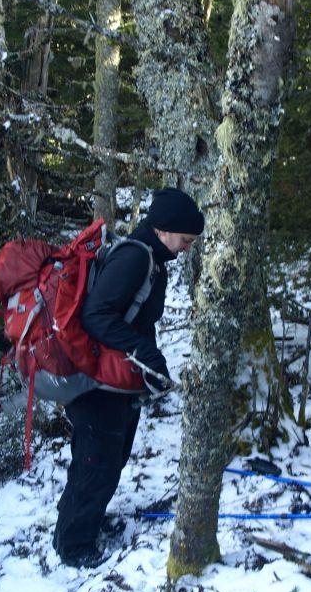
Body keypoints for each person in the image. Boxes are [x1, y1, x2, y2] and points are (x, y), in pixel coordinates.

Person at [52, 187, 205, 567]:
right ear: (164, 229)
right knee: (96, 462)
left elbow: (132, 317)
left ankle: (83, 525)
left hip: (116, 378)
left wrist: (146, 361)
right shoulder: (135, 259)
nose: (187, 247)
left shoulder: (150, 258)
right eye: (185, 239)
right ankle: (74, 547)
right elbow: (97, 316)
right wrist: (144, 352)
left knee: (109, 457)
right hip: (96, 381)